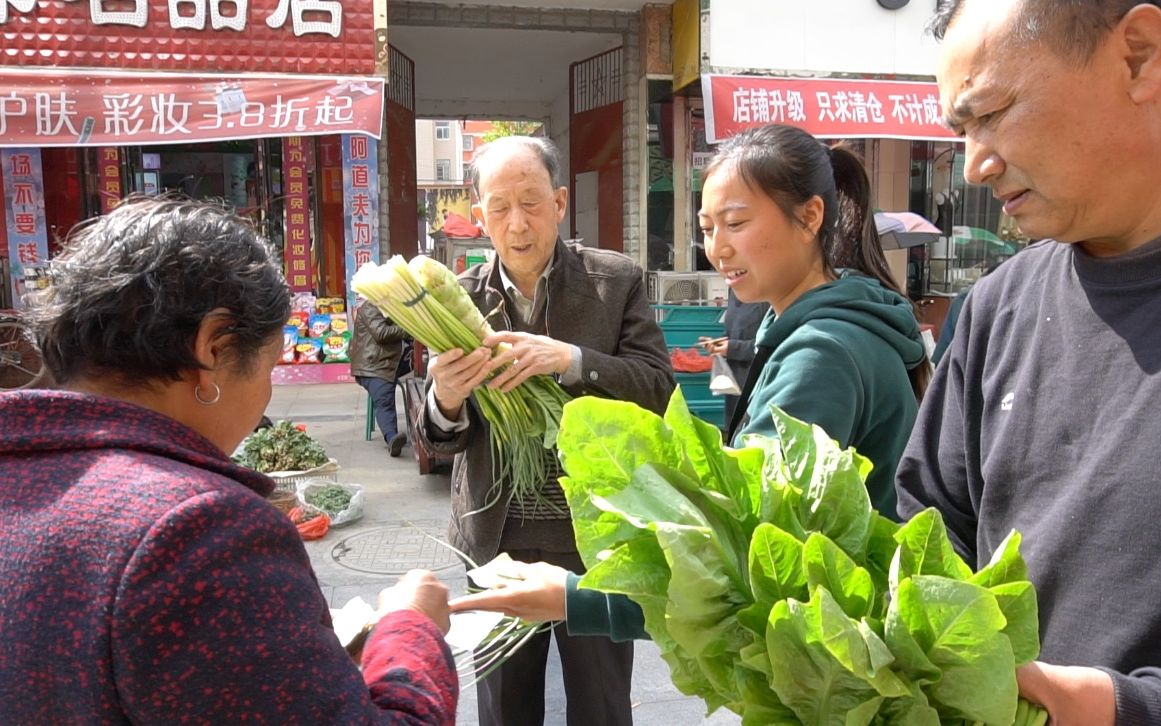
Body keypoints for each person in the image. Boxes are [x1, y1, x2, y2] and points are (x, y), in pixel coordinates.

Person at [452, 124, 931, 645]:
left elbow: (741, 555)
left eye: (736, 223)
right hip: (837, 631)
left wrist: (576, 599)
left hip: (836, 644)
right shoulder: (824, 328)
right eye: (707, 228)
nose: (717, 249)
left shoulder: (820, 356)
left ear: (810, 216)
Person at [0, 198, 457, 724]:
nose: (266, 395)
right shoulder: (196, 531)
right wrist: (409, 626)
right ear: (213, 348)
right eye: (268, 366)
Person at [895, 1, 1161, 723]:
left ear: (1137, 55)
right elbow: (932, 528)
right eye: (961, 131)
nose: (975, 164)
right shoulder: (996, 306)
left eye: (991, 113)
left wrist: (1124, 707)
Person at [416, 136, 674, 726]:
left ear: (560, 203)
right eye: (500, 207)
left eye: (531, 203)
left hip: (596, 540)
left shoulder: (616, 282)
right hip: (494, 537)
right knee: (504, 709)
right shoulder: (453, 303)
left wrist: (573, 361)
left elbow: (660, 391)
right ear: (479, 216)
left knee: (602, 707)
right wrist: (448, 397)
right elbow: (438, 437)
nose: (517, 223)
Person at [698, 289, 770, 423]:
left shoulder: (768, 296)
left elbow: (770, 345)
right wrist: (718, 344)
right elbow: (733, 332)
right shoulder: (735, 292)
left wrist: (732, 348)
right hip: (735, 389)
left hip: (757, 390)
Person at [351, 299, 410, 457]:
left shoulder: (391, 305)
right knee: (384, 400)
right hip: (373, 366)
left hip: (392, 361)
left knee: (416, 381)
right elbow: (381, 333)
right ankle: (392, 438)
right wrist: (409, 329)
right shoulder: (370, 306)